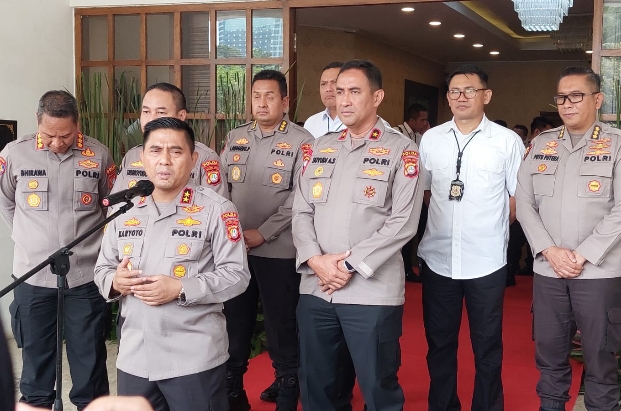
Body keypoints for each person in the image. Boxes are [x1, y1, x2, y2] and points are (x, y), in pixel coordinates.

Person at [292, 59, 423, 411]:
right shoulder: (318, 147)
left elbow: (403, 222)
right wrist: (316, 260)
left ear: (377, 97)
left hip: (371, 291)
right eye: (339, 92)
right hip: (316, 288)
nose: (344, 100)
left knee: (378, 388)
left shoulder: (402, 150)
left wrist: (345, 266)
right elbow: (301, 210)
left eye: (354, 91)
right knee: (317, 386)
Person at [94, 117, 249, 411]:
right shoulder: (125, 210)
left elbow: (237, 275)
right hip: (135, 357)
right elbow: (102, 268)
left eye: (176, 151)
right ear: (143, 158)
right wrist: (115, 282)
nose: (164, 160)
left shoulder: (216, 209)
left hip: (193, 359)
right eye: (155, 151)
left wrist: (181, 288)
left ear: (193, 159)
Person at [417, 64, 524, 411]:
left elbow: (516, 199)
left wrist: (489, 228)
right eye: (454, 91)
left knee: (487, 345)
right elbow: (425, 192)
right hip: (438, 258)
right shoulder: (431, 139)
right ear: (447, 97)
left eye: (469, 91)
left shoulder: (507, 141)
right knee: (439, 344)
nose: (461, 97)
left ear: (486, 96)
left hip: (486, 261)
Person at [516, 66, 621, 411]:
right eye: (561, 97)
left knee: (601, 361)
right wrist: (549, 250)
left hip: (599, 273)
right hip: (549, 272)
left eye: (576, 96)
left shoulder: (617, 144)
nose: (567, 104)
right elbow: (525, 204)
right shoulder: (540, 145)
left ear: (598, 100)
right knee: (549, 358)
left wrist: (583, 254)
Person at [0, 90, 112, 410]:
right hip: (32, 275)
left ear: (77, 124)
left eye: (65, 135)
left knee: (89, 359)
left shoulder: (98, 154)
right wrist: (31, 238)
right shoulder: (14, 154)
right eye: (49, 135)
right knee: (36, 362)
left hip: (85, 277)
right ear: (38, 121)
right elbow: (6, 202)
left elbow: (110, 207)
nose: (58, 143)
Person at [221, 69, 313, 411]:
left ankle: (287, 389)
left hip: (279, 251)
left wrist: (263, 232)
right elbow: (221, 189)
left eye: (270, 96)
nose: (262, 102)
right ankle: (233, 391)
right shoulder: (235, 137)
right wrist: (231, 232)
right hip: (236, 251)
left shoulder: (303, 141)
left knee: (281, 325)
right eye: (256, 95)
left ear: (285, 102)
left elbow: (302, 196)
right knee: (235, 324)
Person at [112, 82, 228, 199]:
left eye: (160, 112)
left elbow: (217, 207)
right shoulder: (132, 156)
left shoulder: (205, 158)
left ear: (181, 116)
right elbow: (115, 205)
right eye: (146, 112)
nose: (151, 119)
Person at [395, 103, 430, 283]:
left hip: (418, 190)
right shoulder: (397, 133)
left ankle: (412, 266)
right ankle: (404, 268)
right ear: (411, 120)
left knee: (416, 230)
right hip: (401, 191)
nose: (425, 123)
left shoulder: (420, 136)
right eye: (422, 120)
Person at [304, 62, 346, 138]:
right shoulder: (311, 123)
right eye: (323, 84)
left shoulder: (359, 122)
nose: (328, 89)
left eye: (334, 82)